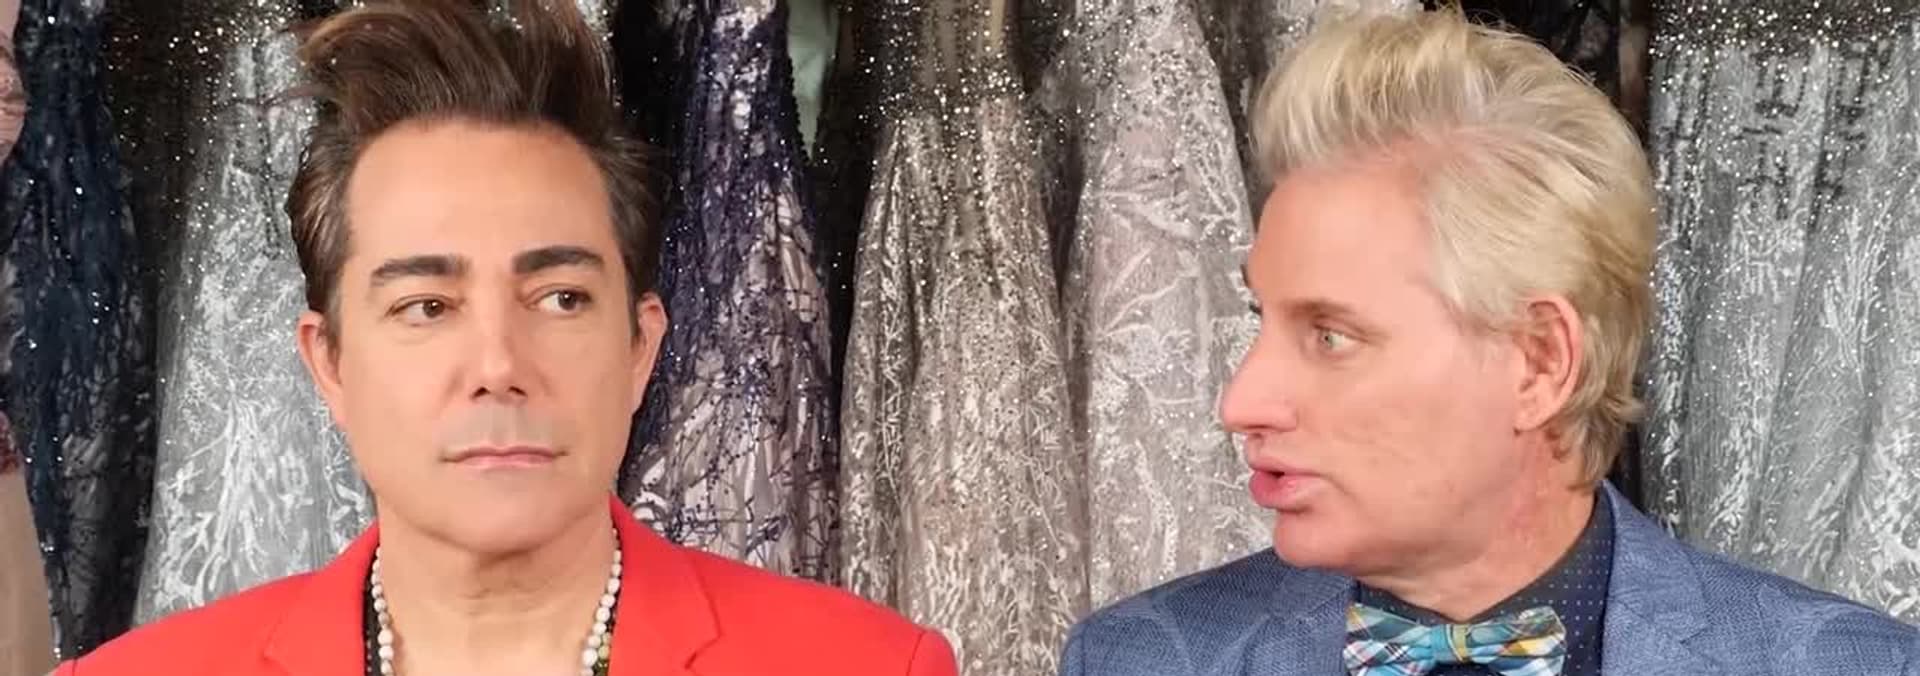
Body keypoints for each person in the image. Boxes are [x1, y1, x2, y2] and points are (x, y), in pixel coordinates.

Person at [54, 1, 956, 674]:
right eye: (426, 307)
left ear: (639, 348)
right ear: (330, 363)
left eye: (560, 298)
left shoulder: (870, 665)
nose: (497, 365)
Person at [1059, 7, 1920, 676]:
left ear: (1541, 362)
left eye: (1329, 335)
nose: (1240, 401)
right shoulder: (1140, 657)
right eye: (1264, 322)